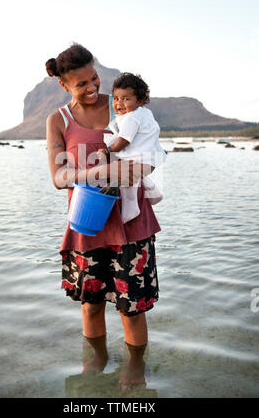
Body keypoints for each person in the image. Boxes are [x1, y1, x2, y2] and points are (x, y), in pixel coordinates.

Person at [45, 44, 161, 383]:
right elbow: (57, 178)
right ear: (64, 85)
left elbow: (153, 143)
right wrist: (98, 173)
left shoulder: (125, 105)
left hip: (130, 222)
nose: (93, 88)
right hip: (88, 220)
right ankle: (96, 361)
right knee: (91, 302)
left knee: (133, 307)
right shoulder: (58, 120)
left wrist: (141, 169)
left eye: (94, 78)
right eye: (81, 84)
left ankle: (135, 365)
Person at [97, 72, 166, 224]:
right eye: (116, 98)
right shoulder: (144, 113)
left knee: (122, 175)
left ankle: (131, 208)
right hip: (149, 160)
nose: (119, 103)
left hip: (142, 160)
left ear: (140, 101)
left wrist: (108, 151)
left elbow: (124, 140)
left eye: (126, 99)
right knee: (133, 175)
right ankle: (154, 192)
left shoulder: (132, 117)